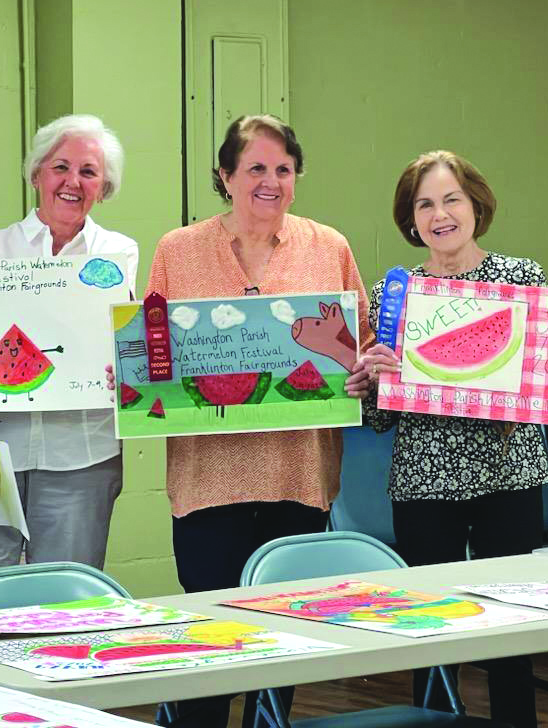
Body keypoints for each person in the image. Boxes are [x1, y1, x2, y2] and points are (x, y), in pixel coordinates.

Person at [125, 115, 373, 727]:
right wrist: (129, 373)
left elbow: (360, 346)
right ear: (226, 175)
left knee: (285, 640)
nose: (271, 181)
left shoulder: (330, 246)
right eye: (256, 167)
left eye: (283, 169)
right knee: (210, 641)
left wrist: (364, 372)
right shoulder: (177, 249)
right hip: (207, 480)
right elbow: (151, 350)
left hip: (300, 475)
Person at [361, 150, 548, 728]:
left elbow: (543, 385)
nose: (439, 215)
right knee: (430, 631)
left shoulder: (522, 279)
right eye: (424, 205)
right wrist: (371, 383)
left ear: (475, 205)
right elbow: (377, 419)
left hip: (509, 475)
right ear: (410, 219)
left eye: (451, 200)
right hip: (424, 483)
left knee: (512, 629)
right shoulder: (392, 291)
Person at [0, 114, 138, 594]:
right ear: (36, 175)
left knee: (68, 598)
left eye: (88, 172)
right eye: (60, 167)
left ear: (104, 187)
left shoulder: (120, 253)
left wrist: (127, 369)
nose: (72, 182)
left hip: (82, 453)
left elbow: (128, 339)